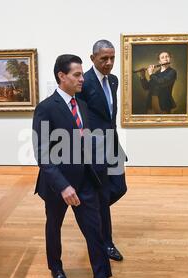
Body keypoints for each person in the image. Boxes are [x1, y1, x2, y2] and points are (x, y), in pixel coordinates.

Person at [32, 54, 128, 278]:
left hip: (85, 182)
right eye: (76, 74)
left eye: (82, 74)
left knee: (95, 231)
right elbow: (42, 154)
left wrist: (100, 170)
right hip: (57, 186)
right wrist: (63, 186)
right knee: (54, 227)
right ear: (61, 76)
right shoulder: (45, 108)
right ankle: (56, 267)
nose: (82, 79)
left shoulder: (82, 105)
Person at [76, 40, 127, 262]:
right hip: (95, 148)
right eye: (103, 58)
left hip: (112, 144)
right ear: (92, 58)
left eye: (112, 58)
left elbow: (109, 115)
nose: (108, 63)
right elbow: (80, 118)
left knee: (120, 187)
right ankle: (106, 243)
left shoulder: (113, 80)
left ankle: (93, 210)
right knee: (104, 192)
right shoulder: (84, 82)